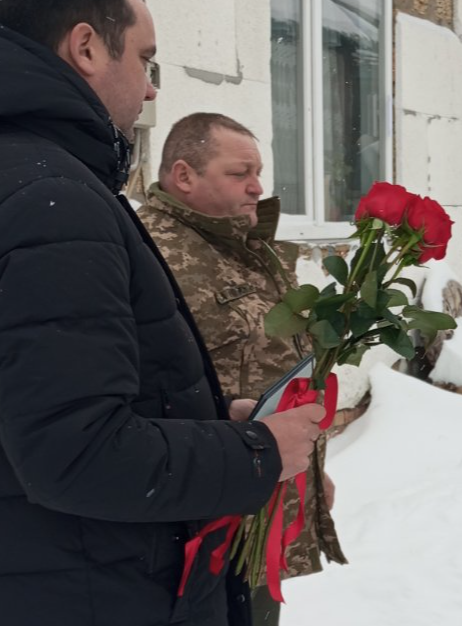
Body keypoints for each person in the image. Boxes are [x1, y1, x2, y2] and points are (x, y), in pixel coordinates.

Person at [0, 0, 325, 625]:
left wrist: (208, 423)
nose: (151, 88)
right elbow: (78, 452)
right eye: (146, 59)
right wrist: (256, 452)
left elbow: (25, 405)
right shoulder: (45, 198)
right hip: (87, 589)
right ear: (87, 46)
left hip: (14, 571)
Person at [139, 113, 348, 626]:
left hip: (262, 499)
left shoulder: (249, 249)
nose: (257, 188)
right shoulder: (149, 253)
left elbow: (267, 371)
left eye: (259, 173)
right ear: (184, 176)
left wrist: (309, 470)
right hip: (199, 515)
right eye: (240, 173)